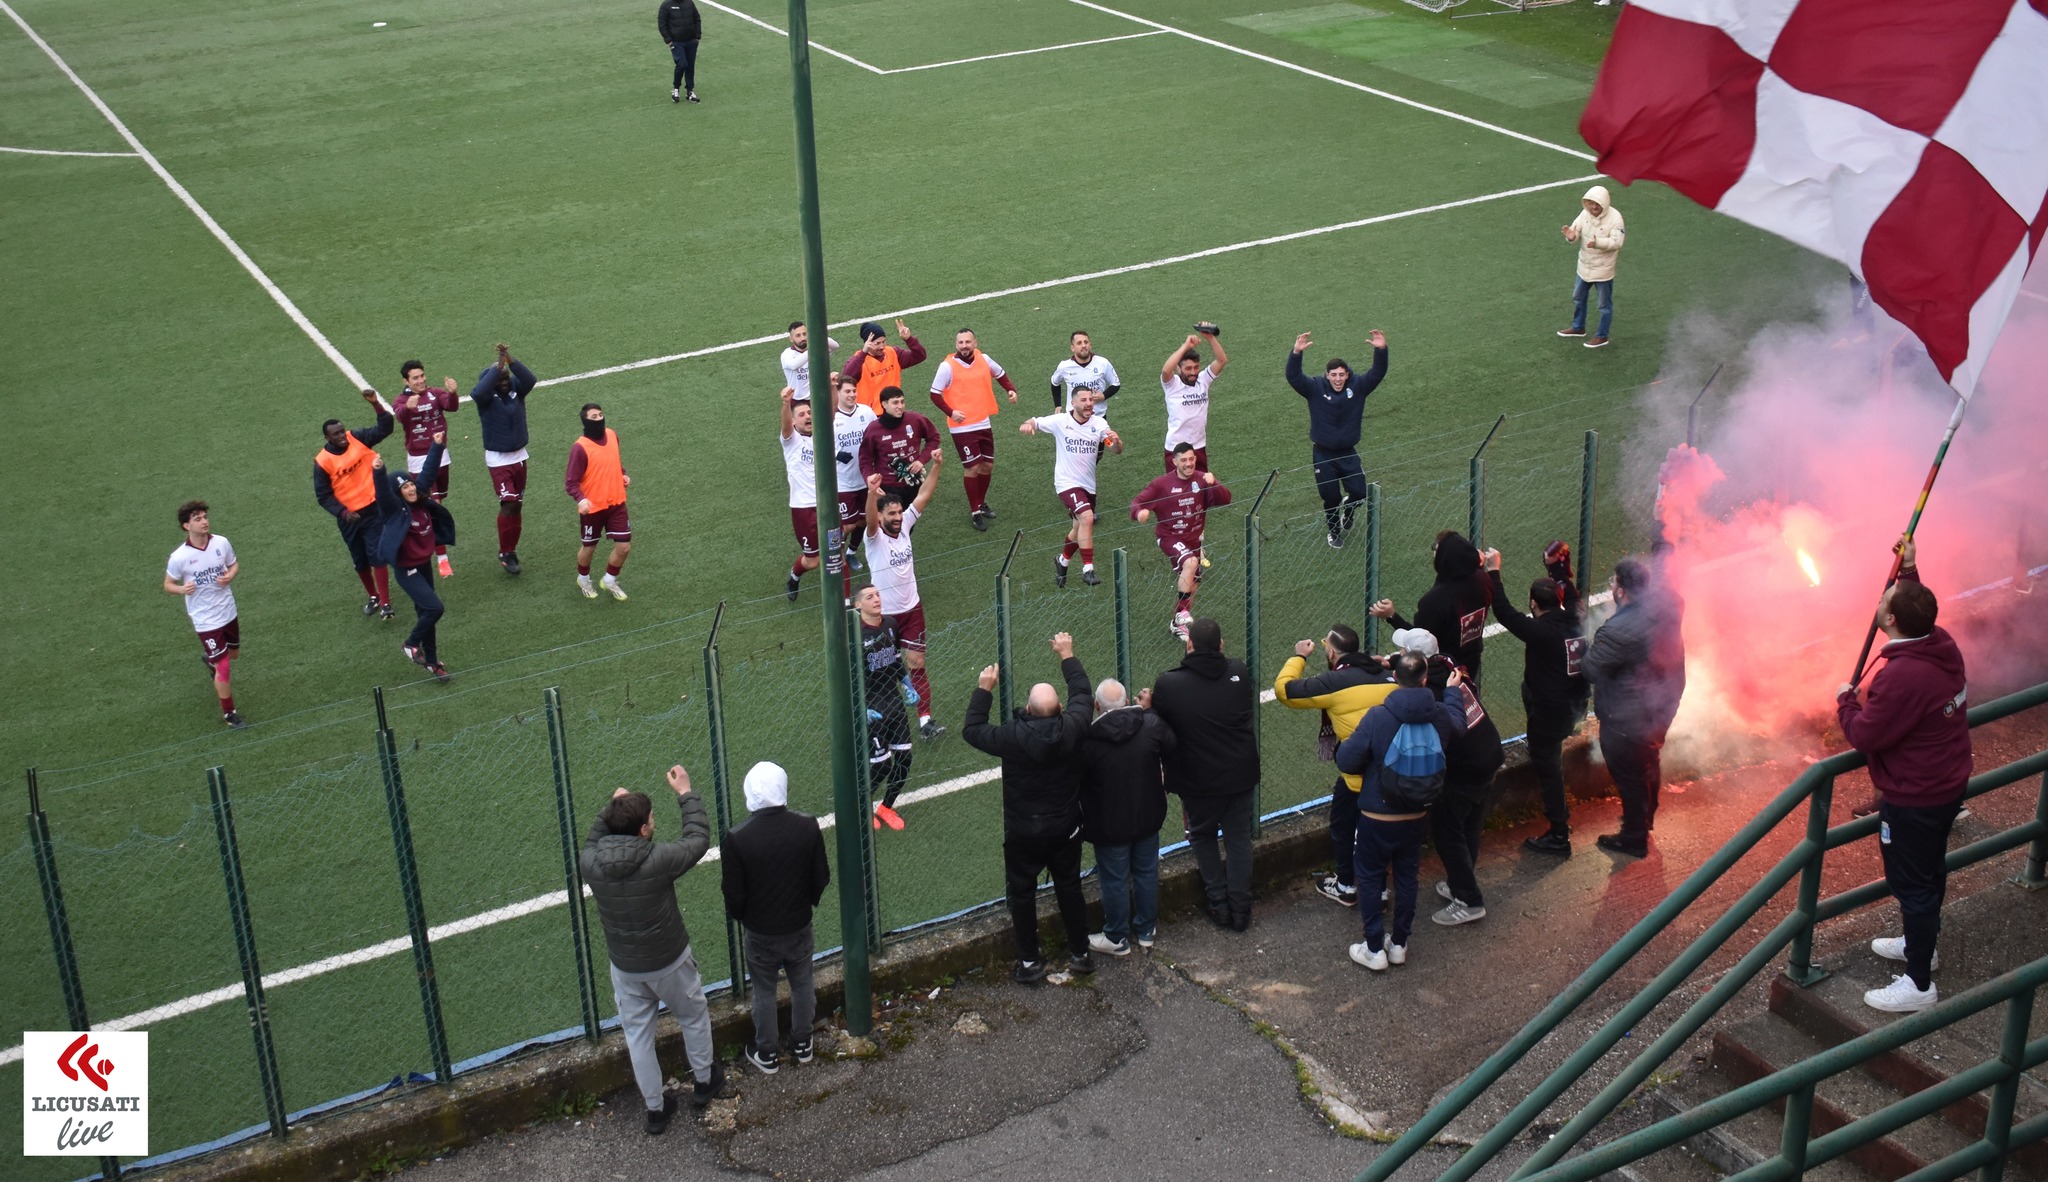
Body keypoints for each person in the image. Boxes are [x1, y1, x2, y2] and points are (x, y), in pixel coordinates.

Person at [1835, 539, 1969, 1013]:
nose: (1880, 600)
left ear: (1890, 622)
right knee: (1929, 872)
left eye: (1884, 601)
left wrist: (1846, 701)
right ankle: (1921, 945)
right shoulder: (1939, 644)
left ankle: (1918, 984)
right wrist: (1909, 569)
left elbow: (1866, 735)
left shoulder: (1901, 677)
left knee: (1912, 882)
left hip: (1916, 797)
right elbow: (1914, 609)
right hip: (1946, 782)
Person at [578, 765, 724, 1133]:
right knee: (692, 1017)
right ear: (643, 830)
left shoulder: (590, 864)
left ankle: (656, 1110)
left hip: (626, 968)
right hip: (670, 961)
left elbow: (595, 837)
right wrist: (686, 793)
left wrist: (614, 807)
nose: (654, 823)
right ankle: (705, 1082)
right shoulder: (656, 860)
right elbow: (698, 839)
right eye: (651, 820)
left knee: (637, 1036)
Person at [962, 633, 1095, 983]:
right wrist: (1067, 654)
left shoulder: (1012, 737)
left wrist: (984, 690)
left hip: (1024, 830)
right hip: (1066, 827)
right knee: (1070, 887)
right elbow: (1083, 692)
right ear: (1060, 709)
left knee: (1022, 894)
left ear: (1029, 710)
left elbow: (973, 730)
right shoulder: (1074, 727)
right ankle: (1081, 954)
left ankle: (1029, 963)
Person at [1335, 654, 1468, 970]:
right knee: (1407, 877)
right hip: (1417, 814)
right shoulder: (1438, 715)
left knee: (1368, 877)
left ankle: (1373, 948)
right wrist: (1452, 694)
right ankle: (1399, 945)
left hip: (1377, 815)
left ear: (1394, 676)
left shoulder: (1378, 716)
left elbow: (1347, 761)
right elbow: (1459, 728)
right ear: (1424, 680)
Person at [1149, 618, 1259, 930]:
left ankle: (1219, 905)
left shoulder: (1169, 683)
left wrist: (1148, 708)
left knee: (1202, 835)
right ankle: (1241, 910)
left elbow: (1163, 722)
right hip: (1239, 773)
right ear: (1221, 645)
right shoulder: (1239, 670)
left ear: (1189, 644)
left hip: (1197, 780)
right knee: (1238, 839)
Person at [720, 761, 830, 1073]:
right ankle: (803, 1043)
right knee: (802, 981)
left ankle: (766, 1052)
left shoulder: (738, 838)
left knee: (764, 989)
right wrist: (805, 905)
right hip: (799, 924)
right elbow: (820, 876)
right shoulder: (807, 826)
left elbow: (733, 893)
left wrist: (746, 917)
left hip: (760, 931)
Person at [1273, 625, 1394, 907]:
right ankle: (1379, 889)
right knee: (1381, 832)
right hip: (1392, 770)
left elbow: (1286, 691)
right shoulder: (1387, 675)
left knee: (1346, 827)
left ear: (1330, 651)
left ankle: (1347, 886)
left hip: (1359, 776)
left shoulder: (1334, 682)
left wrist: (1298, 658)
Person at [1484, 546, 1588, 855]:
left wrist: (1493, 571)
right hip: (1574, 707)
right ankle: (1559, 824)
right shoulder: (1576, 618)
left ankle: (1559, 835)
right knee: (1549, 755)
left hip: (1550, 714)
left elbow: (1503, 611)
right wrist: (1558, 569)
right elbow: (1571, 593)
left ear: (1533, 604)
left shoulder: (1540, 631)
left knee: (1548, 771)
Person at [1583, 555, 1686, 857]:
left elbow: (1590, 668)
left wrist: (1588, 647)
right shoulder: (1670, 603)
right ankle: (1646, 816)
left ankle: (1634, 837)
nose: (1612, 587)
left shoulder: (1618, 631)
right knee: (1649, 760)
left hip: (1628, 718)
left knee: (1629, 775)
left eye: (1614, 582)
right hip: (1663, 705)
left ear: (1621, 591)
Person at [1078, 678, 1175, 956]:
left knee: (1114, 880)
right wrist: (1151, 711)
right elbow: (1171, 744)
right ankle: (1146, 930)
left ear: (1097, 706)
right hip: (1147, 815)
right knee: (1146, 872)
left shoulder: (1087, 740)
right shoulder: (1150, 725)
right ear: (1126, 703)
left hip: (1109, 825)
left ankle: (1117, 937)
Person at [864, 455, 946, 739]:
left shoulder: (906, 526)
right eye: (892, 514)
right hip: (883, 616)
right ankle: (874, 719)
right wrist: (872, 494)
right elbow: (870, 520)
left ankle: (925, 721)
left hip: (912, 610)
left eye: (899, 513)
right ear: (882, 515)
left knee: (916, 664)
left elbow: (924, 494)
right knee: (881, 671)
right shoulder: (873, 537)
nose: (898, 518)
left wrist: (936, 466)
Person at [1285, 328, 1388, 548]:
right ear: (1327, 375)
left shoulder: (1358, 387)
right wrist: (1296, 353)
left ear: (1347, 375)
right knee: (1330, 497)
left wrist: (1381, 350)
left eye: (1342, 375)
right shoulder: (1314, 388)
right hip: (1323, 454)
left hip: (1348, 452)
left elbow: (1377, 373)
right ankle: (1334, 531)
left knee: (1360, 493)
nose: (1338, 379)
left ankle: (1348, 510)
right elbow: (1293, 377)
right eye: (1334, 375)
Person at [1426, 654, 1504, 926]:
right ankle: (1461, 881)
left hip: (1466, 772)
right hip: (1489, 758)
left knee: (1448, 832)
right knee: (1470, 822)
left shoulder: (1431, 695)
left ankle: (1468, 900)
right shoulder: (1450, 671)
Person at [372, 435, 457, 681]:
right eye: (404, 487)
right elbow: (382, 495)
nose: (410, 488)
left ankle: (432, 662)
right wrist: (379, 472)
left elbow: (428, 472)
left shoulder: (420, 499)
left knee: (426, 613)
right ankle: (410, 644)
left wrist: (437, 445)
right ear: (396, 494)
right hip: (406, 570)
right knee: (434, 608)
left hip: (423, 565)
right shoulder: (393, 511)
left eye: (410, 484)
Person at [1021, 388, 1123, 588]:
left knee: (1078, 528)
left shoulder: (1099, 425)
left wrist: (1117, 442)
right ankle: (1088, 569)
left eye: (1091, 400)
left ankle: (1063, 560)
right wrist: (1028, 424)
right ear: (1073, 403)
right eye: (1083, 400)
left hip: (1088, 485)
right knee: (1086, 517)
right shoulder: (1061, 422)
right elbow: (1036, 421)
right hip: (1066, 483)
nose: (1088, 403)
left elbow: (1114, 449)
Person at [1131, 444, 1232, 637]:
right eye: (1184, 460)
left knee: (1192, 583)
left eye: (1191, 459)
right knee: (1191, 562)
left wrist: (1214, 483)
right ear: (1174, 461)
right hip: (1169, 537)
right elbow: (1137, 502)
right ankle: (1183, 613)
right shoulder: (1161, 484)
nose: (1189, 464)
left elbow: (1226, 499)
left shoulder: (1202, 479)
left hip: (1193, 540)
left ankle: (1177, 622)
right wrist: (1139, 513)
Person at [1372, 530, 1494, 690]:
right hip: (1470, 664)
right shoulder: (1483, 579)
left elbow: (1421, 641)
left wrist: (1391, 616)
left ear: (1446, 560)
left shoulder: (1435, 601)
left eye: (1436, 549)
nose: (1433, 552)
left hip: (1441, 673)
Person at [314, 387, 397, 619]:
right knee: (359, 560)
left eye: (342, 431)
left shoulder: (357, 437)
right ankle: (372, 595)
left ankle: (385, 602)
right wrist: (342, 512)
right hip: (349, 517)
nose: (342, 436)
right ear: (327, 438)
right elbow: (323, 496)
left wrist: (376, 404)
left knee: (377, 555)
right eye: (336, 434)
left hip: (372, 510)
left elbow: (386, 427)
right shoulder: (322, 462)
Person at [164, 500, 247, 729]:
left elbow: (234, 565)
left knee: (234, 654)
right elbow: (168, 584)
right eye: (197, 519)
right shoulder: (179, 557)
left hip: (227, 609)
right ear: (186, 526)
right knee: (224, 666)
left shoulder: (221, 543)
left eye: (205, 517)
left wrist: (230, 575)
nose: (204, 522)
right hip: (205, 618)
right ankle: (230, 714)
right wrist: (181, 589)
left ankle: (212, 660)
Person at [929, 328, 1018, 531]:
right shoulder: (947, 366)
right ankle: (975, 511)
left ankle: (981, 502)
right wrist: (951, 412)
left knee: (987, 466)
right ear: (956, 344)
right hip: (962, 427)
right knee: (972, 467)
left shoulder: (984, 359)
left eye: (968, 342)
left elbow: (1001, 374)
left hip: (983, 421)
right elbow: (934, 394)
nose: (964, 346)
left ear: (975, 343)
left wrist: (1010, 390)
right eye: (960, 342)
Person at [470, 344, 539, 575]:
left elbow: (530, 379)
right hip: (498, 460)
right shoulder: (486, 399)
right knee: (509, 502)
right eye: (499, 378)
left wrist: (510, 360)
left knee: (516, 506)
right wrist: (498, 367)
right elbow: (478, 392)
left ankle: (510, 550)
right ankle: (504, 551)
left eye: (506, 377)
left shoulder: (516, 390)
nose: (504, 381)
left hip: (519, 457)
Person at [855, 584, 915, 828]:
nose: (876, 599)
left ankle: (886, 807)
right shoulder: (855, 635)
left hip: (894, 704)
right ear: (858, 605)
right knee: (882, 765)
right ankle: (862, 806)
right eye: (869, 597)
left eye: (877, 594)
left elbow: (896, 660)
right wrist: (861, 707)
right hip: (872, 709)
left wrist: (908, 685)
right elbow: (849, 677)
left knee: (905, 759)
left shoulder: (890, 624)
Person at [393, 360, 459, 577]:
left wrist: (453, 392)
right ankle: (442, 559)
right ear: (406, 381)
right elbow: (400, 415)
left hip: (442, 456)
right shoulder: (401, 401)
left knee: (438, 502)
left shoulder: (434, 393)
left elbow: (451, 406)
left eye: (422, 375)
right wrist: (407, 408)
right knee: (433, 504)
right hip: (420, 460)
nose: (421, 380)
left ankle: (422, 542)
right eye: (415, 377)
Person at [566, 403, 632, 601]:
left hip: (616, 502)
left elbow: (614, 460)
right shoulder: (580, 448)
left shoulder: (612, 434)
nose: (599, 419)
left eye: (601, 415)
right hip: (593, 509)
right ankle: (583, 578)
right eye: (594, 416)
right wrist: (582, 499)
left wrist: (622, 475)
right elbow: (571, 482)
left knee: (624, 547)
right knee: (589, 547)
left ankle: (610, 580)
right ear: (586, 421)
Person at [1557, 185, 1625, 348]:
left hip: (1603, 270)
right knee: (1578, 297)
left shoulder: (1616, 218)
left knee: (1604, 305)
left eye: (1597, 204)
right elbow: (1576, 230)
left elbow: (1617, 242)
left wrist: (1598, 243)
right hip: (1584, 266)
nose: (1593, 207)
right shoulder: (1584, 214)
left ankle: (1602, 336)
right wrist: (1572, 237)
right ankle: (1578, 327)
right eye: (1590, 203)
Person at [858, 386, 943, 511]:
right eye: (895, 402)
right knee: (891, 524)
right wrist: (869, 479)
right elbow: (865, 459)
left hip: (913, 483)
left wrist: (921, 460)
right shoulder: (873, 429)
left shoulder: (915, 420)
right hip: (887, 486)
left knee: (910, 522)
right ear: (884, 404)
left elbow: (934, 438)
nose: (900, 406)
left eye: (902, 402)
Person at [828, 373, 876, 581]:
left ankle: (851, 553)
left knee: (864, 520)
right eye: (847, 391)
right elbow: (815, 446)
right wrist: (835, 454)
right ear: (837, 393)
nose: (852, 395)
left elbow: (878, 436)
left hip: (865, 479)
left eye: (854, 391)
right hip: (843, 482)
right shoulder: (831, 419)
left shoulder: (866, 412)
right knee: (847, 525)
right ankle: (834, 556)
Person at [1159, 326, 1227, 471]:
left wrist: (1209, 337)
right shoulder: (1172, 384)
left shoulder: (1203, 380)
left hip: (1198, 446)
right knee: (1179, 491)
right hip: (1176, 449)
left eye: (1196, 367)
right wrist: (1185, 346)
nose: (1193, 372)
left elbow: (1221, 361)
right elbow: (1166, 370)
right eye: (1188, 368)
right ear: (1179, 369)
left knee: (1201, 489)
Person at [780, 388, 822, 602]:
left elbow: (832, 411)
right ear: (795, 422)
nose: (808, 416)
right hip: (804, 508)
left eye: (809, 413)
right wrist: (787, 404)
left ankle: (844, 602)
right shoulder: (792, 441)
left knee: (835, 554)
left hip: (828, 504)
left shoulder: (821, 438)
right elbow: (785, 427)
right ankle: (794, 577)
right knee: (813, 561)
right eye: (802, 414)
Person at [841, 319, 927, 416]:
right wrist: (863, 353)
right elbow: (846, 377)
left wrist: (909, 339)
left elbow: (920, 356)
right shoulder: (858, 360)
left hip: (893, 412)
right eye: (877, 343)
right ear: (867, 343)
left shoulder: (893, 353)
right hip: (870, 417)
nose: (882, 346)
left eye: (883, 341)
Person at [1049, 330, 1120, 411]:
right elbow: (1055, 383)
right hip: (1073, 420)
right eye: (1079, 343)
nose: (1083, 345)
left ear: (1090, 345)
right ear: (1072, 348)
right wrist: (1057, 405)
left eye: (1086, 342)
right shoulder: (1064, 367)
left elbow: (1116, 384)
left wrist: (1104, 395)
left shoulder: (1102, 363)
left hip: (1098, 418)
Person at [657, 0, 702, 103]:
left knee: (690, 66)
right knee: (682, 64)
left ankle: (690, 91)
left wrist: (697, 36)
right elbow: (662, 24)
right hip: (677, 42)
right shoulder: (666, 5)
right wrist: (668, 40)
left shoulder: (689, 3)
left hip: (691, 41)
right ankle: (676, 89)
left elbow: (697, 18)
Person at [779, 321, 837, 401]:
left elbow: (835, 346)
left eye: (805, 334)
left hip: (816, 399)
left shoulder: (813, 350)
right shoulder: (787, 354)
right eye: (798, 335)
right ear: (791, 339)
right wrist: (813, 348)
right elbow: (794, 365)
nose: (803, 338)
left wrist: (819, 337)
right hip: (797, 400)